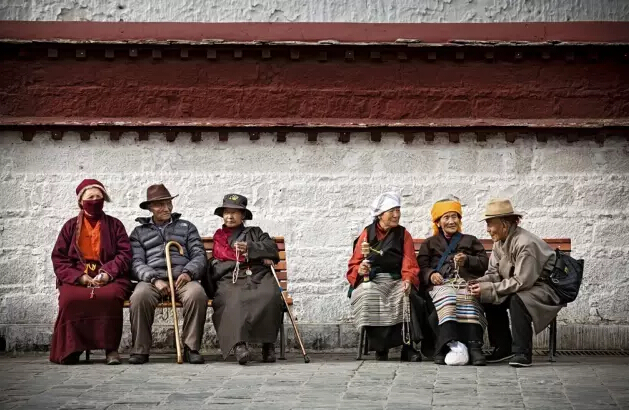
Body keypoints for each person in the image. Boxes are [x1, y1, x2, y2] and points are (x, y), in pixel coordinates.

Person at [469, 198, 563, 367]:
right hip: (524, 284)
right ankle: (503, 348)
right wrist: (477, 283)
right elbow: (494, 273)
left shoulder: (525, 243)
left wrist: (490, 288)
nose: (488, 229)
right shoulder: (500, 242)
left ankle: (522, 353)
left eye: (490, 224)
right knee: (488, 297)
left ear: (504, 224)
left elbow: (522, 281)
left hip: (545, 288)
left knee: (517, 299)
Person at [50, 179, 131, 365]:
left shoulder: (115, 225)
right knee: (71, 300)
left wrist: (107, 273)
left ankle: (111, 349)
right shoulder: (70, 227)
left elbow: (124, 254)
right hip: (77, 275)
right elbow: (59, 258)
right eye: (90, 197)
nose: (95, 200)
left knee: (110, 297)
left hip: (110, 276)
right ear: (81, 201)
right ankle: (73, 348)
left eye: (98, 197)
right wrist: (80, 277)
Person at [128, 184, 208, 364]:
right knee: (139, 297)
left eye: (168, 203)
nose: (166, 208)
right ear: (150, 208)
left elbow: (199, 255)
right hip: (152, 280)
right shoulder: (139, 232)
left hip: (183, 278)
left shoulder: (187, 227)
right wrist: (154, 279)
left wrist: (188, 273)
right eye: (159, 205)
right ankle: (140, 350)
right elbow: (135, 262)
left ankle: (191, 348)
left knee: (197, 294)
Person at [346, 192, 422, 361]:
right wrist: (360, 269)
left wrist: (408, 279)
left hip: (396, 278)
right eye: (392, 211)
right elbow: (355, 263)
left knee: (405, 295)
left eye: (398, 210)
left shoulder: (403, 234)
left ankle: (407, 346)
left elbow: (409, 261)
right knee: (369, 295)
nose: (396, 215)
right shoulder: (367, 233)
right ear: (380, 215)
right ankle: (381, 348)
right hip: (373, 279)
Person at [210, 194, 283, 365]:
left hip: (258, 275)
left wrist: (251, 247)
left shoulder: (255, 232)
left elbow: (272, 248)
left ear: (243, 215)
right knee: (233, 298)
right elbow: (220, 260)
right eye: (226, 212)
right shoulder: (220, 236)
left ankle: (268, 344)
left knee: (270, 295)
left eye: (234, 212)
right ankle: (239, 345)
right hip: (231, 277)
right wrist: (254, 257)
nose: (229, 216)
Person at [417, 197, 489, 365]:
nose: (451, 221)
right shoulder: (430, 243)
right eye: (446, 217)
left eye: (454, 216)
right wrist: (431, 275)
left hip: (464, 283)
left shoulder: (470, 240)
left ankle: (474, 347)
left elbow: (484, 263)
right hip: (441, 285)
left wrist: (468, 260)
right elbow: (421, 267)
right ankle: (445, 346)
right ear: (438, 222)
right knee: (448, 298)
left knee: (468, 297)